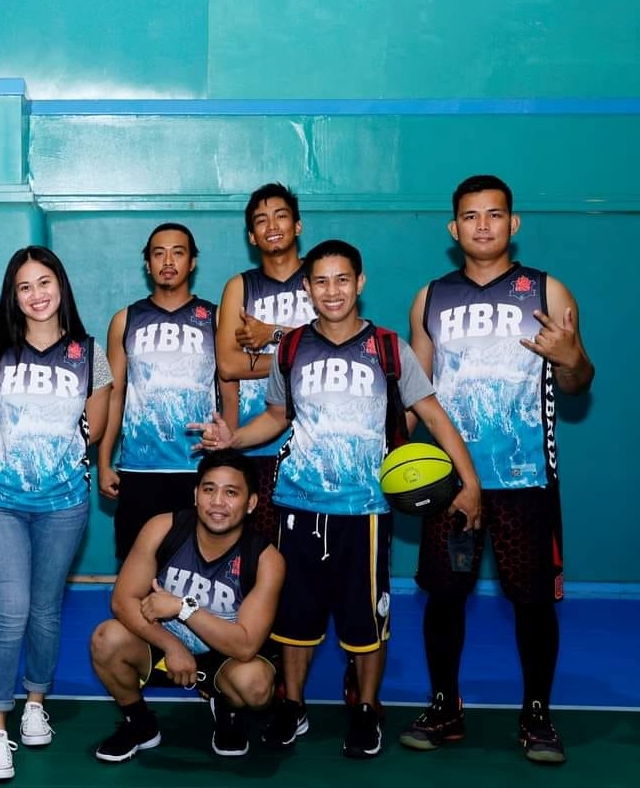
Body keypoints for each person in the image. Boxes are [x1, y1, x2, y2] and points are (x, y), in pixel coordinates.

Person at [192, 239, 482, 759]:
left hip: (364, 513)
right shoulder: (290, 349)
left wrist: (470, 482)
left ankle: (365, 710)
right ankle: (293, 706)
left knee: (366, 622)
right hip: (298, 506)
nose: (332, 291)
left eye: (342, 280)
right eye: (321, 281)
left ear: (360, 283)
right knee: (294, 621)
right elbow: (278, 418)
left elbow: (435, 416)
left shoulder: (391, 349)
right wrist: (232, 439)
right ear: (307, 288)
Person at [400, 175, 595, 764]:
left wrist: (571, 358)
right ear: (453, 228)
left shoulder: (546, 291)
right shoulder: (429, 298)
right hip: (450, 482)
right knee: (444, 598)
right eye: (470, 216)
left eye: (494, 214)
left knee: (533, 601)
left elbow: (579, 381)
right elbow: (417, 395)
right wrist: (383, 457)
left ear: (514, 224)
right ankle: (445, 707)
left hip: (525, 480)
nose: (482, 225)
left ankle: (537, 715)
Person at [0, 246, 113, 780]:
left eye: (44, 282)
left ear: (61, 285)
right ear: (14, 295)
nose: (36, 295)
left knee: (46, 610)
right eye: (24, 286)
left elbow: (91, 433)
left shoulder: (90, 353)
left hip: (64, 505)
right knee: (10, 611)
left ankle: (34, 702)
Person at [90, 449, 285, 763]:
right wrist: (172, 646)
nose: (217, 502)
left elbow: (246, 645)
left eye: (231, 492)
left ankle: (228, 708)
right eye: (209, 489)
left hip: (224, 658)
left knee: (256, 686)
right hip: (164, 651)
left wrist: (183, 607)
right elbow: (122, 601)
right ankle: (139, 724)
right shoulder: (163, 528)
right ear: (196, 495)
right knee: (106, 640)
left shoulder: (265, 559)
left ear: (250, 503)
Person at [98, 223, 237, 560]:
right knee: (137, 569)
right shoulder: (125, 320)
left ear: (192, 262)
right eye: (158, 253)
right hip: (139, 470)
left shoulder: (214, 318)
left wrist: (226, 454)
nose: (168, 260)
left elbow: (230, 390)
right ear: (148, 264)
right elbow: (115, 395)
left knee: (198, 566)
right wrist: (103, 461)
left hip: (198, 468)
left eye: (178, 252)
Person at [215, 183, 316, 544]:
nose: (272, 225)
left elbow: (339, 347)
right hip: (256, 443)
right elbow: (228, 364)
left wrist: (272, 334)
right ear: (252, 236)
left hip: (315, 444)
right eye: (261, 220)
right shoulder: (240, 287)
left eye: (281, 216)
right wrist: (299, 354)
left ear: (298, 226)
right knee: (259, 556)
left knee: (309, 559)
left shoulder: (320, 279)